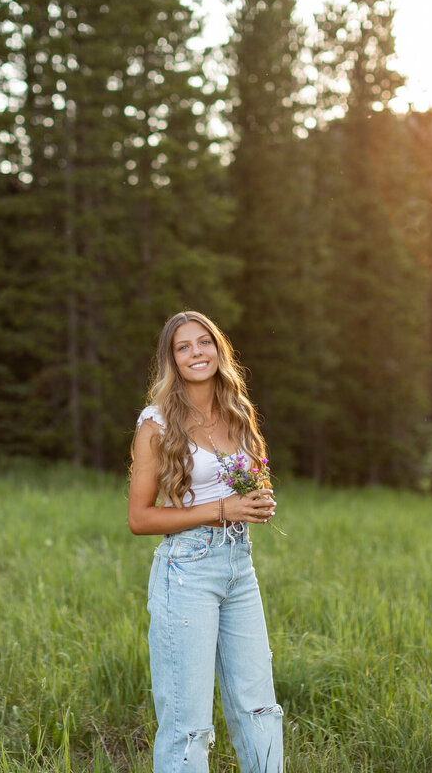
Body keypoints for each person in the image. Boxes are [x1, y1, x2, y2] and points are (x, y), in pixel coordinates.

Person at [127, 310, 284, 773]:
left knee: (259, 708)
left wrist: (257, 502)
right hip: (186, 570)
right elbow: (139, 517)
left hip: (239, 567)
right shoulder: (155, 425)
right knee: (187, 723)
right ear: (171, 360)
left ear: (219, 349)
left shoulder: (238, 410)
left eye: (204, 342)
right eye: (184, 346)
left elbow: (252, 478)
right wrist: (221, 511)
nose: (197, 352)